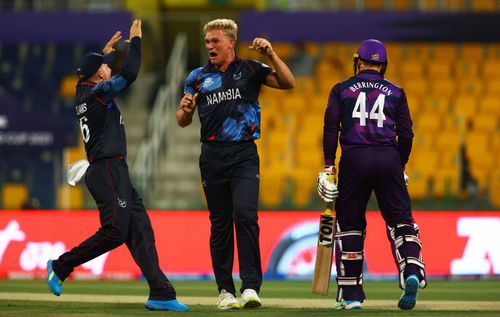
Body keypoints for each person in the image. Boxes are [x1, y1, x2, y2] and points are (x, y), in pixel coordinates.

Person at [46, 19, 188, 312]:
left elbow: (88, 73)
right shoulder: (99, 92)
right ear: (99, 74)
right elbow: (131, 74)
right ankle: (61, 266)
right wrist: (135, 42)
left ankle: (161, 292)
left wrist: (104, 53)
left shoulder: (83, 92)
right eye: (106, 67)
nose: (109, 69)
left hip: (112, 170)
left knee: (142, 230)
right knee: (115, 232)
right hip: (108, 169)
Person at [176, 18, 294, 310]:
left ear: (231, 42)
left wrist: (271, 55)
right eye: (207, 42)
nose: (209, 47)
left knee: (246, 216)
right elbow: (182, 121)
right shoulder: (197, 77)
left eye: (215, 41)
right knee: (219, 224)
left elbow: (288, 83)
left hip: (243, 153)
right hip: (212, 156)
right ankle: (225, 291)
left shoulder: (251, 69)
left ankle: (251, 287)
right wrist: (185, 111)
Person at [317, 39, 426, 310]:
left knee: (351, 224)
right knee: (402, 221)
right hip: (388, 157)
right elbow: (407, 134)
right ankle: (411, 271)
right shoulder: (396, 91)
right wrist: (400, 166)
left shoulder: (341, 89)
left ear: (358, 62)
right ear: (383, 65)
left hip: (355, 159)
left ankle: (352, 296)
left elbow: (332, 128)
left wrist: (329, 166)